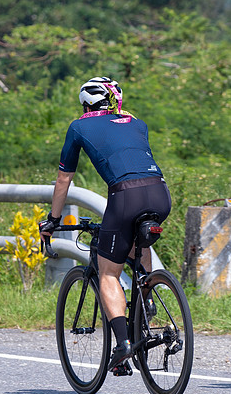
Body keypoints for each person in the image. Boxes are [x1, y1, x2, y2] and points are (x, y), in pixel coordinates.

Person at [41, 76, 171, 375]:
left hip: (125, 197)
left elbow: (64, 178)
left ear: (85, 103)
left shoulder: (79, 126)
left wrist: (54, 219)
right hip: (160, 193)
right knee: (140, 243)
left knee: (109, 273)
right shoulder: (137, 124)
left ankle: (123, 346)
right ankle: (147, 296)